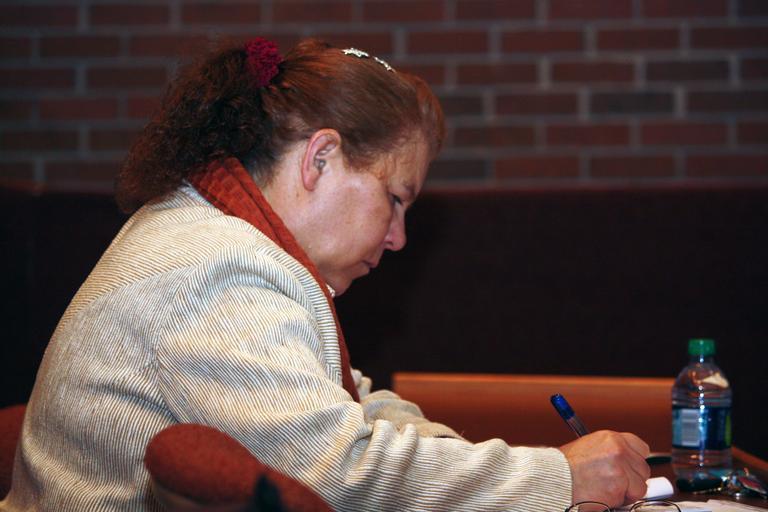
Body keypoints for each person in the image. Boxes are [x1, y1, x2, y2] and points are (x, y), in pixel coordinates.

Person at [1, 37, 650, 511]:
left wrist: (497, 465)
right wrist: (555, 478)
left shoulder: (216, 233)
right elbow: (340, 475)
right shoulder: (214, 266)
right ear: (320, 159)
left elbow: (352, 409)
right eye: (394, 199)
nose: (398, 238)